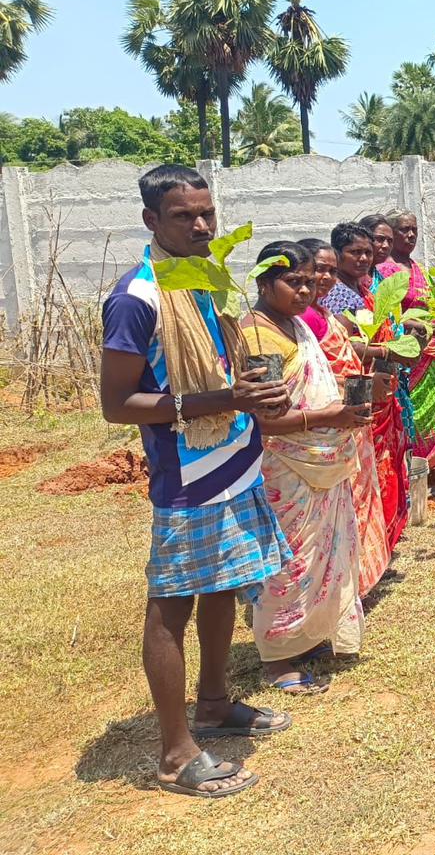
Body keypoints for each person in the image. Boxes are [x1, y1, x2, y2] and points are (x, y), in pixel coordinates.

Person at [99, 164, 292, 798]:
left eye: (207, 212)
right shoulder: (137, 297)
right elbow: (117, 404)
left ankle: (213, 703)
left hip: (233, 457)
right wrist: (223, 399)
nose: (202, 225)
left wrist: (249, 393)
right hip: (186, 474)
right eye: (184, 216)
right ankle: (176, 754)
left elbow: (216, 363)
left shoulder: (204, 277)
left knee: (222, 584)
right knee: (172, 604)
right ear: (151, 220)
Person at [241, 242, 371, 693]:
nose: (304, 290)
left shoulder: (295, 325)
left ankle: (310, 634)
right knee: (289, 557)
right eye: (292, 281)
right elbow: (265, 419)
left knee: (322, 551)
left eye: (308, 281)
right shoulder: (258, 337)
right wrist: (328, 417)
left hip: (320, 461)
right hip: (284, 465)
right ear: (264, 284)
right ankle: (279, 656)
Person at [297, 238, 391, 597]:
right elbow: (315, 377)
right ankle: (341, 585)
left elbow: (348, 348)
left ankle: (356, 580)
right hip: (328, 422)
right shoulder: (303, 318)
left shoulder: (325, 308)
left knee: (356, 501)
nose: (325, 278)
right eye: (318, 270)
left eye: (330, 271)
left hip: (351, 414)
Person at [324, 222, 411, 551]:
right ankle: (366, 545)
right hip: (358, 388)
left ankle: (381, 538)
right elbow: (345, 345)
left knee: (381, 464)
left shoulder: (365, 289)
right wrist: (387, 351)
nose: (363, 258)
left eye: (367, 252)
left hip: (380, 388)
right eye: (354, 252)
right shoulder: (336, 295)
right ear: (337, 254)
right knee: (363, 470)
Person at [375, 210, 435, 500]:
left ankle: (433, 469)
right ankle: (413, 473)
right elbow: (392, 319)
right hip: (410, 354)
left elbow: (430, 309)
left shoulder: (418, 268)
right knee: (413, 413)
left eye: (414, 230)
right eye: (403, 230)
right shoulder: (385, 271)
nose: (410, 235)